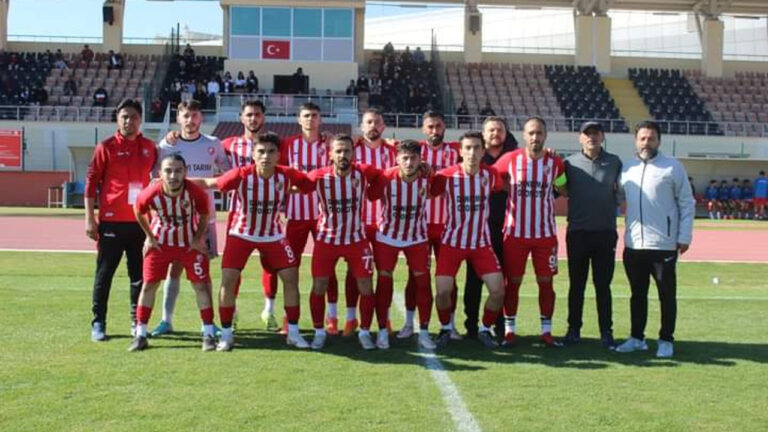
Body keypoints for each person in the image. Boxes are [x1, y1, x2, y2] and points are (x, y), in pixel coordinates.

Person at [194, 132, 311, 351]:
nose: (266, 156)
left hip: (273, 234)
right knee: (228, 281)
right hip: (242, 234)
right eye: (261, 151)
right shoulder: (240, 174)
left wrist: (291, 189)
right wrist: (176, 180)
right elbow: (210, 182)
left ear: (279, 155)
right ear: (253, 155)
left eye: (271, 152)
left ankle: (293, 333)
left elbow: (309, 185)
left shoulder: (287, 175)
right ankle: (227, 335)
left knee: (291, 278)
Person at [150, 100, 231, 337]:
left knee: (203, 271)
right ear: (179, 118)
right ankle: (166, 320)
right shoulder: (166, 144)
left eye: (195, 115)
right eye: (186, 115)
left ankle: (209, 323)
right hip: (174, 219)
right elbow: (156, 177)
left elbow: (225, 174)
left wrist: (206, 182)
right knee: (173, 270)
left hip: (205, 218)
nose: (190, 120)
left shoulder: (213, 144)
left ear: (201, 119)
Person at [615, 120, 694, 358]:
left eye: (651, 138)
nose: (646, 142)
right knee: (637, 294)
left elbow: (687, 203)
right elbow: (617, 198)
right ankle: (637, 337)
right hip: (634, 246)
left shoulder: (672, 167)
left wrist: (684, 236)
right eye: (642, 138)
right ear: (636, 140)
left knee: (666, 295)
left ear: (659, 140)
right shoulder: (627, 168)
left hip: (664, 245)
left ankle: (666, 339)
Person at [259, 103, 337, 332]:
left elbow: (356, 146)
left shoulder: (330, 144)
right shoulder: (288, 145)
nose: (310, 119)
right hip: (296, 215)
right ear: (298, 119)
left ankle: (332, 318)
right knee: (288, 268)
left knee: (327, 268)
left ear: (320, 119)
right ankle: (286, 316)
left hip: (325, 217)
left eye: (314, 115)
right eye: (306, 116)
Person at [300, 135, 383, 350]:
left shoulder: (364, 173)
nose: (342, 155)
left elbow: (386, 176)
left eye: (346, 151)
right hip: (327, 240)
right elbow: (296, 185)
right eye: (338, 151)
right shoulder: (318, 176)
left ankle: (364, 331)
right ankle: (319, 331)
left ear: (353, 154)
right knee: (319, 285)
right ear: (330, 154)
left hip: (357, 239)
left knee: (365, 285)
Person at [85, 99, 157, 341]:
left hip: (140, 223)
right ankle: (98, 322)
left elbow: (158, 180)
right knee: (104, 274)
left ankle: (136, 322)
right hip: (111, 222)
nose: (129, 121)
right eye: (124, 116)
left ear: (140, 120)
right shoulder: (105, 147)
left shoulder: (149, 147)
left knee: (139, 276)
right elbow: (91, 184)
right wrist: (90, 219)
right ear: (117, 119)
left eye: (134, 117)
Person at [129, 154, 216, 351]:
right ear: (160, 173)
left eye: (178, 170)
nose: (173, 175)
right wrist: (149, 237)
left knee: (201, 286)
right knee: (149, 285)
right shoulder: (151, 192)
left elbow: (204, 215)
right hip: (160, 244)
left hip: (188, 245)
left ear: (185, 172)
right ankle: (141, 334)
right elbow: (138, 209)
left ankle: (208, 333)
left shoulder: (196, 192)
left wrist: (197, 238)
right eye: (168, 170)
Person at [493, 117, 566, 348]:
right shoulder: (510, 159)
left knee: (546, 283)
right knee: (512, 282)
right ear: (525, 135)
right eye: (531, 133)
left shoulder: (555, 163)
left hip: (545, 235)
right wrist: (507, 187)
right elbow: (493, 179)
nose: (535, 137)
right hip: (515, 234)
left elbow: (563, 186)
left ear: (545, 136)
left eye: (540, 133)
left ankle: (546, 331)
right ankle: (509, 330)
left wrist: (558, 182)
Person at [431, 131, 506, 348]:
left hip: (480, 244)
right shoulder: (446, 176)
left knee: (498, 291)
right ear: (460, 151)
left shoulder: (491, 175)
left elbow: (503, 186)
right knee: (443, 291)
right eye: (468, 148)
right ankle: (446, 328)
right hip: (451, 243)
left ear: (483, 151)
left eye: (476, 148)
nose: (472, 152)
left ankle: (485, 329)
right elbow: (428, 192)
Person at [331, 108, 396, 337]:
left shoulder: (393, 151)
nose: (373, 126)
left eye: (377, 122)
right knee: (354, 273)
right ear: (361, 126)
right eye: (369, 122)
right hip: (355, 224)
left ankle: (384, 318)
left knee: (385, 273)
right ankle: (351, 318)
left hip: (386, 223)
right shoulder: (351, 149)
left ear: (384, 125)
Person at [399, 111, 462, 340]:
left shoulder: (456, 151)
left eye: (438, 126)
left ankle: (450, 324)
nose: (434, 131)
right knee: (415, 277)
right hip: (419, 227)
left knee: (449, 278)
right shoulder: (413, 152)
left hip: (448, 225)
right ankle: (408, 323)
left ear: (444, 127)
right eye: (430, 127)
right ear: (423, 129)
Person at [367, 140, 435, 349]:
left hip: (417, 237)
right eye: (404, 158)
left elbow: (440, 186)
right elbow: (371, 195)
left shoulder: (428, 177)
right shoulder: (386, 178)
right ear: (397, 159)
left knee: (422, 282)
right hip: (388, 236)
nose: (409, 162)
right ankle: (382, 331)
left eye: (413, 158)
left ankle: (422, 330)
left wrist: (431, 173)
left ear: (420, 159)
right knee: (385, 280)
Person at [560, 121, 622, 348]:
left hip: (605, 232)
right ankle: (573, 330)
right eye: (587, 134)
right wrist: (561, 186)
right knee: (577, 285)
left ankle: (606, 332)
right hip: (577, 232)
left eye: (595, 134)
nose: (591, 137)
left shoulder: (614, 162)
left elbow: (621, 189)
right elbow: (560, 185)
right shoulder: (569, 163)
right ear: (580, 138)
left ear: (602, 137)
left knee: (603, 285)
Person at [463, 117, 517, 339]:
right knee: (473, 280)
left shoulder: (516, 157)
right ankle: (471, 325)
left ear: (506, 133)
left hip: (506, 229)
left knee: (503, 280)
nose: (495, 133)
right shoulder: (473, 155)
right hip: (476, 229)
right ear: (483, 135)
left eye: (500, 130)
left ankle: (499, 325)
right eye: (491, 130)